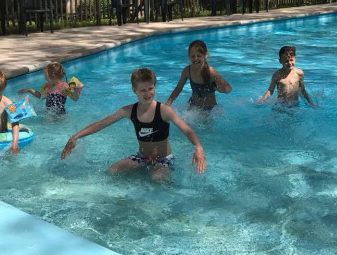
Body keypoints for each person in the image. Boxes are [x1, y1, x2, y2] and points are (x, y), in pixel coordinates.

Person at [61, 68, 206, 181]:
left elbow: (187, 130)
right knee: (112, 172)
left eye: (150, 88)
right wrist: (76, 136)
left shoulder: (164, 111)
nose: (148, 93)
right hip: (141, 157)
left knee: (157, 179)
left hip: (163, 160)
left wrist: (198, 147)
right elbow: (101, 124)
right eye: (143, 90)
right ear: (134, 90)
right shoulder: (129, 111)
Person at [165, 40, 232, 111]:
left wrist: (222, 89)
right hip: (193, 105)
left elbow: (229, 89)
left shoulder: (211, 72)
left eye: (199, 56)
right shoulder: (187, 71)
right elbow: (178, 88)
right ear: (189, 56)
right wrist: (167, 104)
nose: (195, 59)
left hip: (209, 109)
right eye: (193, 56)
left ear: (205, 55)